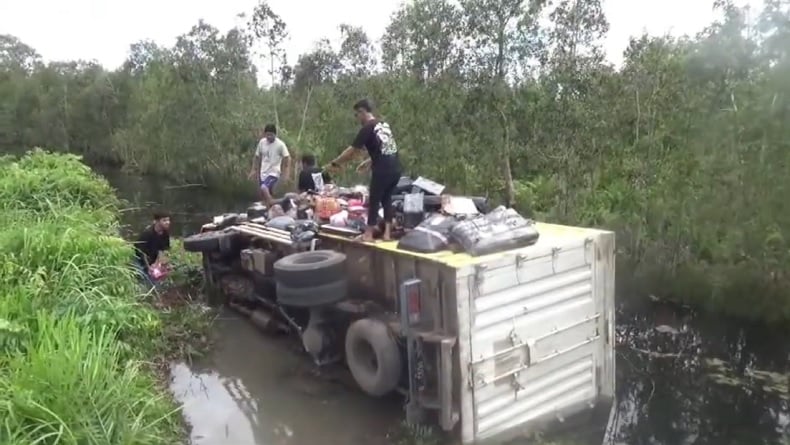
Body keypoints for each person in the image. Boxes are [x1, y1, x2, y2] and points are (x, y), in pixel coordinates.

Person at [325, 99, 402, 242]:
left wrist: (335, 162)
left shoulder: (367, 127)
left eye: (357, 114)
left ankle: (368, 235)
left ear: (362, 111)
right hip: (396, 168)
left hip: (383, 169)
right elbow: (386, 149)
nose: (357, 118)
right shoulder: (384, 125)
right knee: (386, 199)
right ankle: (387, 234)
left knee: (374, 199)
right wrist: (368, 161)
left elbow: (352, 151)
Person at [248, 123, 291, 205]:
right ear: (265, 134)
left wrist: (286, 172)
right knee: (264, 194)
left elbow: (287, 158)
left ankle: (272, 202)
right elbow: (257, 156)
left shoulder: (280, 144)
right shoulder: (262, 142)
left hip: (274, 172)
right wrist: (253, 169)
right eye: (267, 135)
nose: (269, 137)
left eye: (271, 135)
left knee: (264, 188)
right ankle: (270, 211)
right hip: (263, 172)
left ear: (275, 134)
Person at [133, 211, 171, 287]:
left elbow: (162, 250)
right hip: (139, 259)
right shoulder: (147, 234)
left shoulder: (165, 234)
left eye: (168, 220)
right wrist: (149, 267)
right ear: (156, 222)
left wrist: (158, 264)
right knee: (145, 282)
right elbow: (142, 253)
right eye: (164, 220)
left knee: (158, 280)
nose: (167, 222)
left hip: (152, 258)